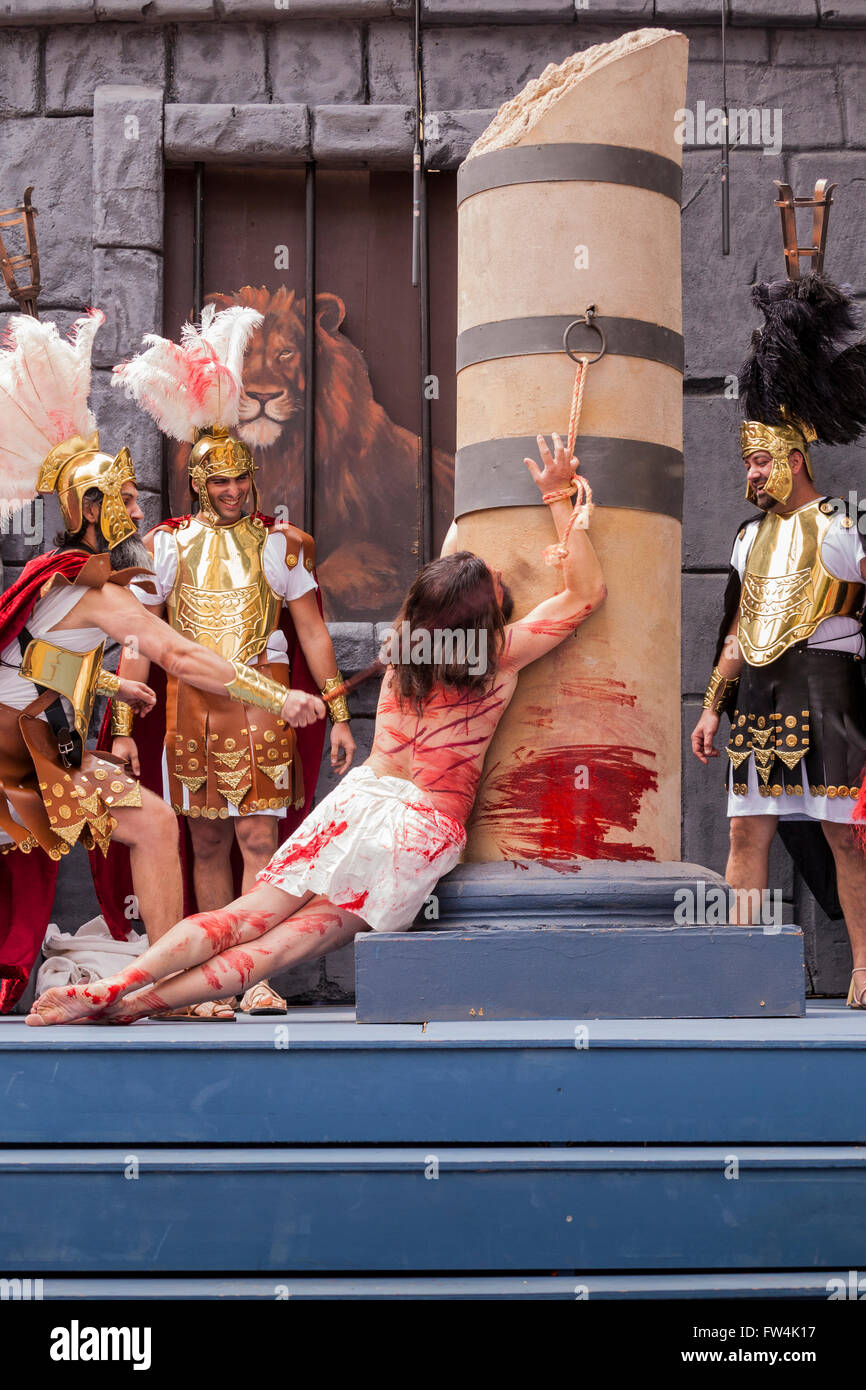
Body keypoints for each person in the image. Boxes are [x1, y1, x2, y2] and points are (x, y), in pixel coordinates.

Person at [27, 430, 606, 1025]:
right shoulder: (495, 658)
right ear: (485, 614)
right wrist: (561, 498)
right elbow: (586, 594)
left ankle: (121, 982)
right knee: (285, 942)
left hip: (357, 802)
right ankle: (138, 1005)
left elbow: (446, 566)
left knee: (244, 916)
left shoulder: (404, 649)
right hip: (421, 823)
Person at [0, 311, 325, 1012]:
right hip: (18, 762)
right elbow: (182, 654)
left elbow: (32, 665)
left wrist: (109, 682)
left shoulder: (60, 576)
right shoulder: (97, 591)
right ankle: (175, 985)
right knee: (160, 826)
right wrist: (281, 699)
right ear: (88, 509)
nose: (131, 504)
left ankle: (173, 983)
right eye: (117, 498)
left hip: (29, 752)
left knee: (153, 824)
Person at [104, 305, 354, 1018]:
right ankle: (211, 976)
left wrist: (338, 714)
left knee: (258, 836)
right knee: (206, 839)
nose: (232, 491)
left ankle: (254, 972)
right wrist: (124, 722)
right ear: (197, 484)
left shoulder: (284, 545)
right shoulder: (166, 547)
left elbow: (313, 635)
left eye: (240, 478)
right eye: (218, 482)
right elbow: (140, 639)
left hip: (265, 701)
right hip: (190, 706)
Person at [690, 270, 866, 1006]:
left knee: (847, 841)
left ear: (795, 457)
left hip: (826, 697)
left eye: (760, 460)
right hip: (759, 699)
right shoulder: (746, 539)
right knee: (745, 838)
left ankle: (865, 966)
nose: (751, 473)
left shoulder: (845, 529)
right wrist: (709, 703)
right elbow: (740, 626)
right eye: (747, 461)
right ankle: (744, 973)